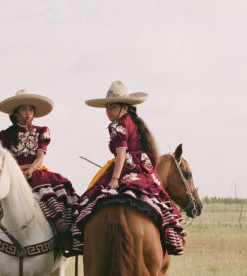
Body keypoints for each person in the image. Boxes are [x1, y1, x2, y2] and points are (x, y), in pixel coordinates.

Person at [72, 81, 185, 255]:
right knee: (156, 198)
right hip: (145, 169)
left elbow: (122, 153)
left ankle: (78, 241)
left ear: (124, 106)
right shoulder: (134, 120)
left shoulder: (117, 125)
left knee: (90, 199)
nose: (109, 111)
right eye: (107, 107)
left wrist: (115, 178)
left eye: (113, 106)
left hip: (127, 167)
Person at [0, 89, 78, 254]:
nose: (28, 113)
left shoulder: (42, 131)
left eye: (31, 110)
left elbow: (40, 156)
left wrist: (32, 169)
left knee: (49, 201)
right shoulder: (5, 135)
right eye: (24, 109)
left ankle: (61, 235)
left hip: (36, 173)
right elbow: (3, 160)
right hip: (14, 177)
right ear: (16, 112)